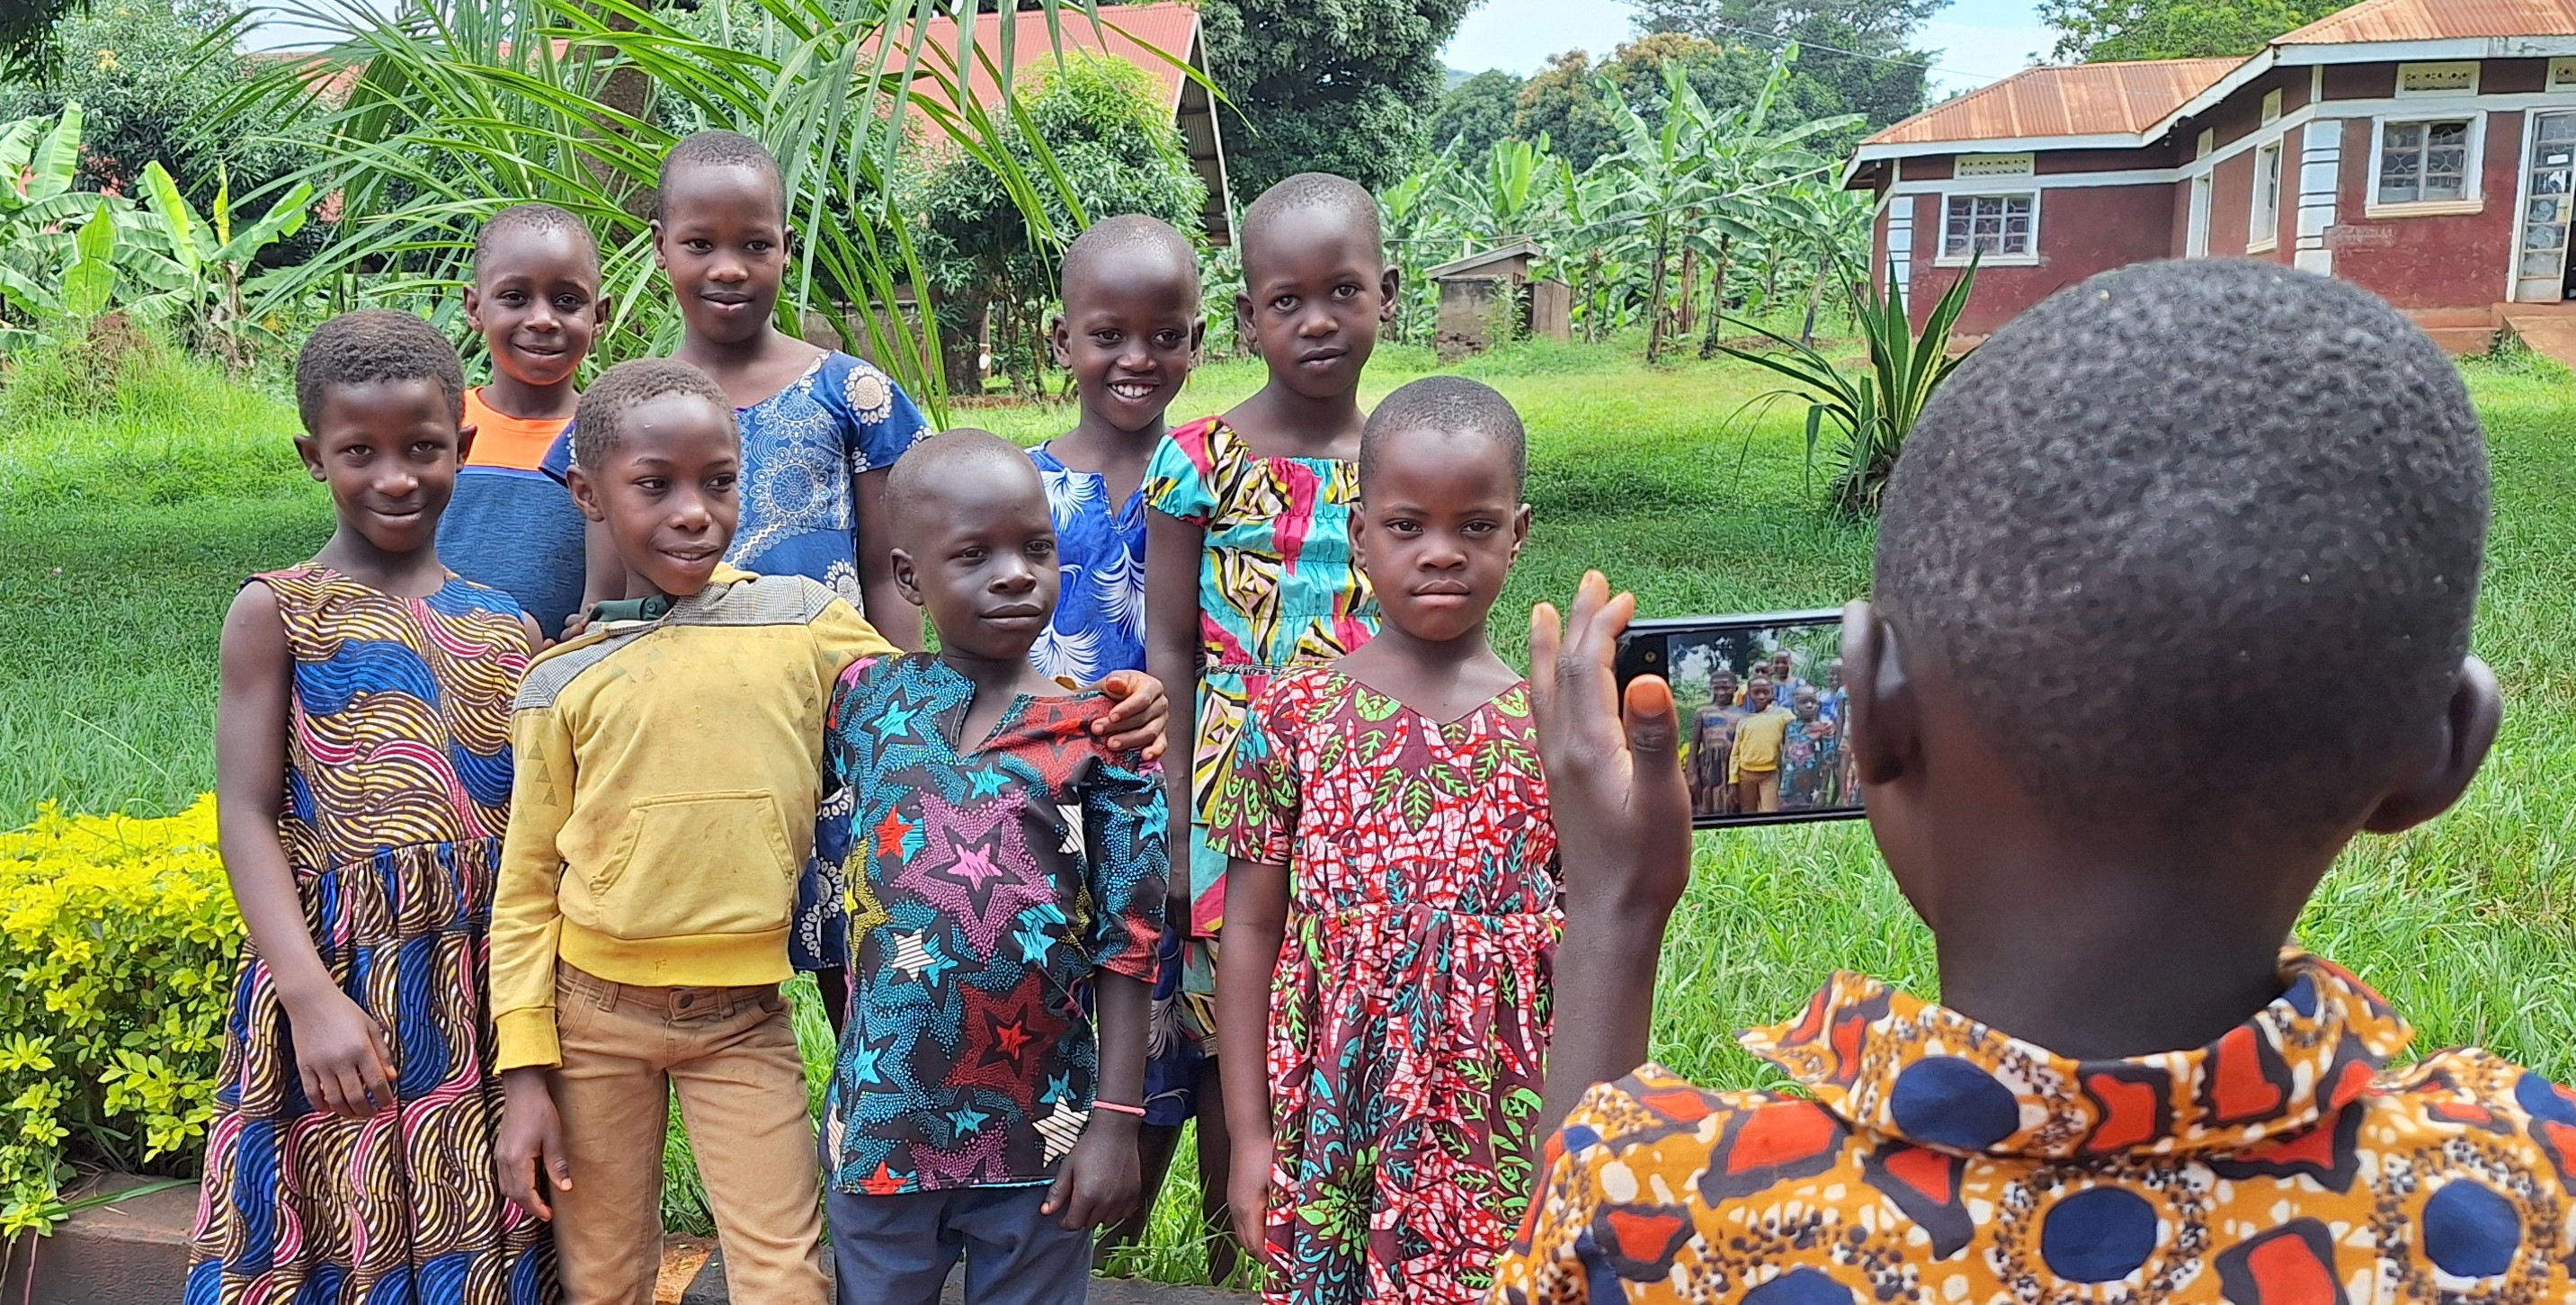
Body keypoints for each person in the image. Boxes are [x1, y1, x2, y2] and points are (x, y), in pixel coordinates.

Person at [1503, 260, 2576, 1302]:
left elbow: (1585, 1237)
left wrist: (1613, 909)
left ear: (1871, 703)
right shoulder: (2531, 1194)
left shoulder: (1664, 1215)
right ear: (2442, 753)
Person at [487, 362, 1168, 1305]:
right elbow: (534, 876)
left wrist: (1126, 702)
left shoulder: (818, 636)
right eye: (656, 484)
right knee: (610, 1271)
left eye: (718, 481)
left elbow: (1121, 922)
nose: (692, 511)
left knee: (791, 1276)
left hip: (939, 1086)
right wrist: (524, 1062)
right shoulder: (580, 681)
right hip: (718, 1056)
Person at [189, 309, 552, 1305]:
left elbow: (532, 842)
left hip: (478, 999)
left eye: (423, 447)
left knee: (475, 1246)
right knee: (341, 1243)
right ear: (314, 456)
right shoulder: (279, 611)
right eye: (360, 452)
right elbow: (245, 812)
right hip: (340, 988)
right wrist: (308, 998)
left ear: (463, 445)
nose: (396, 477)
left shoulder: (507, 627)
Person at [543, 130, 936, 1018]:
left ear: (786, 246)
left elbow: (886, 571)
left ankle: (866, 1098)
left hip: (828, 715)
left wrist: (897, 709)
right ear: (660, 247)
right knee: (702, 933)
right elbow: (608, 594)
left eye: (754, 243)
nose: (728, 267)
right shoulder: (623, 408)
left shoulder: (853, 393)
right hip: (684, 733)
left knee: (857, 940)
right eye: (700, 243)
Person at [1209, 377, 1555, 1305]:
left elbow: (1595, 935)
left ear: (1518, 533)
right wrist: (1250, 1135)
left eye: (1475, 526)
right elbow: (1250, 930)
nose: (1441, 552)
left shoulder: (1553, 724)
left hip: (1497, 1122)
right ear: (1360, 534)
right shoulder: (1294, 714)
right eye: (1407, 526)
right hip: (1336, 1117)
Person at [819, 430, 1167, 1305]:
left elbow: (1130, 940)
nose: (1015, 575)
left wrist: (1116, 1121)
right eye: (973, 554)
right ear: (908, 578)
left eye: (1036, 548)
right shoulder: (863, 698)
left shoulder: (1102, 732)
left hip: (1041, 1132)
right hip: (884, 1121)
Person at [1141, 171, 1393, 1278]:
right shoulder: (1198, 460)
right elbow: (1171, 649)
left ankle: (1335, 1243)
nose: (1317, 320)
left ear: (1387, 293)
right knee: (1224, 1040)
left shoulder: (1405, 459)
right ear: (1247, 317)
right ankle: (1228, 1259)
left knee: (1341, 1015)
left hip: (1364, 796)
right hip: (1228, 795)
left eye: (1343, 291)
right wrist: (1173, 818)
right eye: (1286, 300)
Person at [1033, 214, 1217, 1265]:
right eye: (1108, 334)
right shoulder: (1019, 486)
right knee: (1064, 1019)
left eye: (1164, 335)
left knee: (1170, 1039)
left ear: (1198, 340)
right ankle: (1068, 1255)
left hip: (1184, 811)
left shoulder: (1219, 482)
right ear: (1062, 339)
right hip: (1053, 818)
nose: (1136, 358)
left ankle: (1140, 1257)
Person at [436, 201, 608, 640]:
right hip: (429, 659)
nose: (543, 320)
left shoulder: (609, 438)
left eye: (567, 301)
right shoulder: (437, 428)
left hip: (558, 670)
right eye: (515, 297)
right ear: (475, 309)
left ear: (599, 316)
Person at [1727, 675, 1789, 814]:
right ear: (1749, 694)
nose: (1761, 697)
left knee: (1770, 812)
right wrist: (1733, 780)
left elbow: (1800, 725)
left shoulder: (1782, 715)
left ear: (1772, 693)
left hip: (1770, 773)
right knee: (1748, 813)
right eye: (1756, 693)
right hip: (1745, 774)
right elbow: (1735, 753)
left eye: (1765, 692)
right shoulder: (1744, 721)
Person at [1776, 684, 1839, 809]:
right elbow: (1784, 758)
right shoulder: (1790, 726)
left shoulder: (1825, 728)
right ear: (1795, 705)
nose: (1809, 706)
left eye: (1813, 702)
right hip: (1787, 789)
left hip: (1812, 789)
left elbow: (1828, 761)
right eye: (1803, 702)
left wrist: (1823, 792)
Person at [1686, 671, 1739, 817]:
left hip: (1732, 765)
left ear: (1735, 688)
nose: (1721, 692)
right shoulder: (1703, 712)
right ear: (1711, 688)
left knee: (1730, 802)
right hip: (1708, 767)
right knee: (1707, 799)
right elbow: (1694, 743)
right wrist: (1691, 771)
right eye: (1716, 688)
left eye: (1726, 688)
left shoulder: (1743, 714)